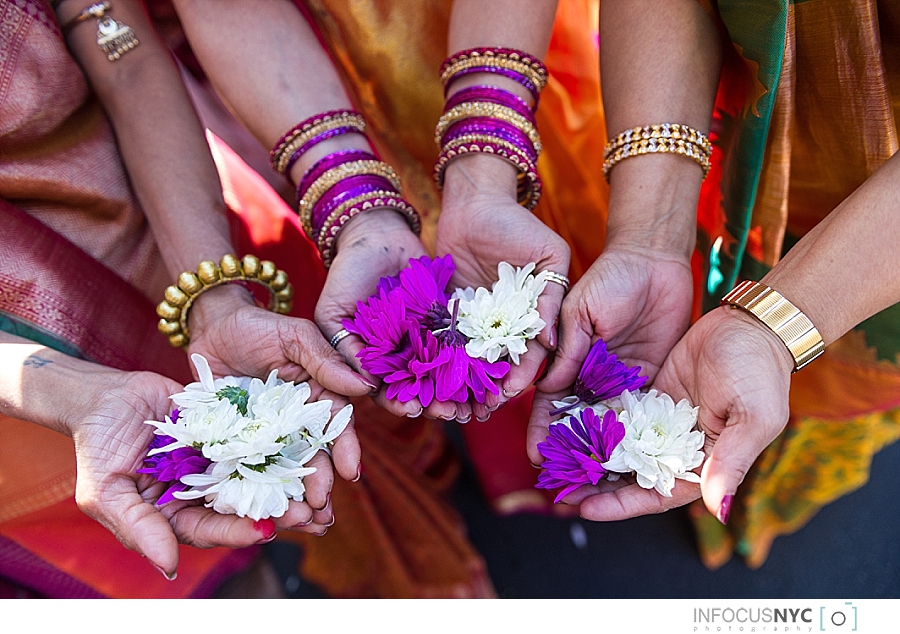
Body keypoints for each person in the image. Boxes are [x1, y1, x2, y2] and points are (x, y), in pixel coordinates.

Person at [1, 0, 491, 598]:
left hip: (173, 210)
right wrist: (70, 394)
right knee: (182, 554)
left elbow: (116, 46)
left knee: (332, 405)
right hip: (22, 410)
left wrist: (215, 300)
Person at [529, 0, 900, 568]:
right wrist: (649, 235)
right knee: (713, 386)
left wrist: (775, 330)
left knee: (826, 397)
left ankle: (768, 507)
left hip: (879, 257)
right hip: (708, 145)